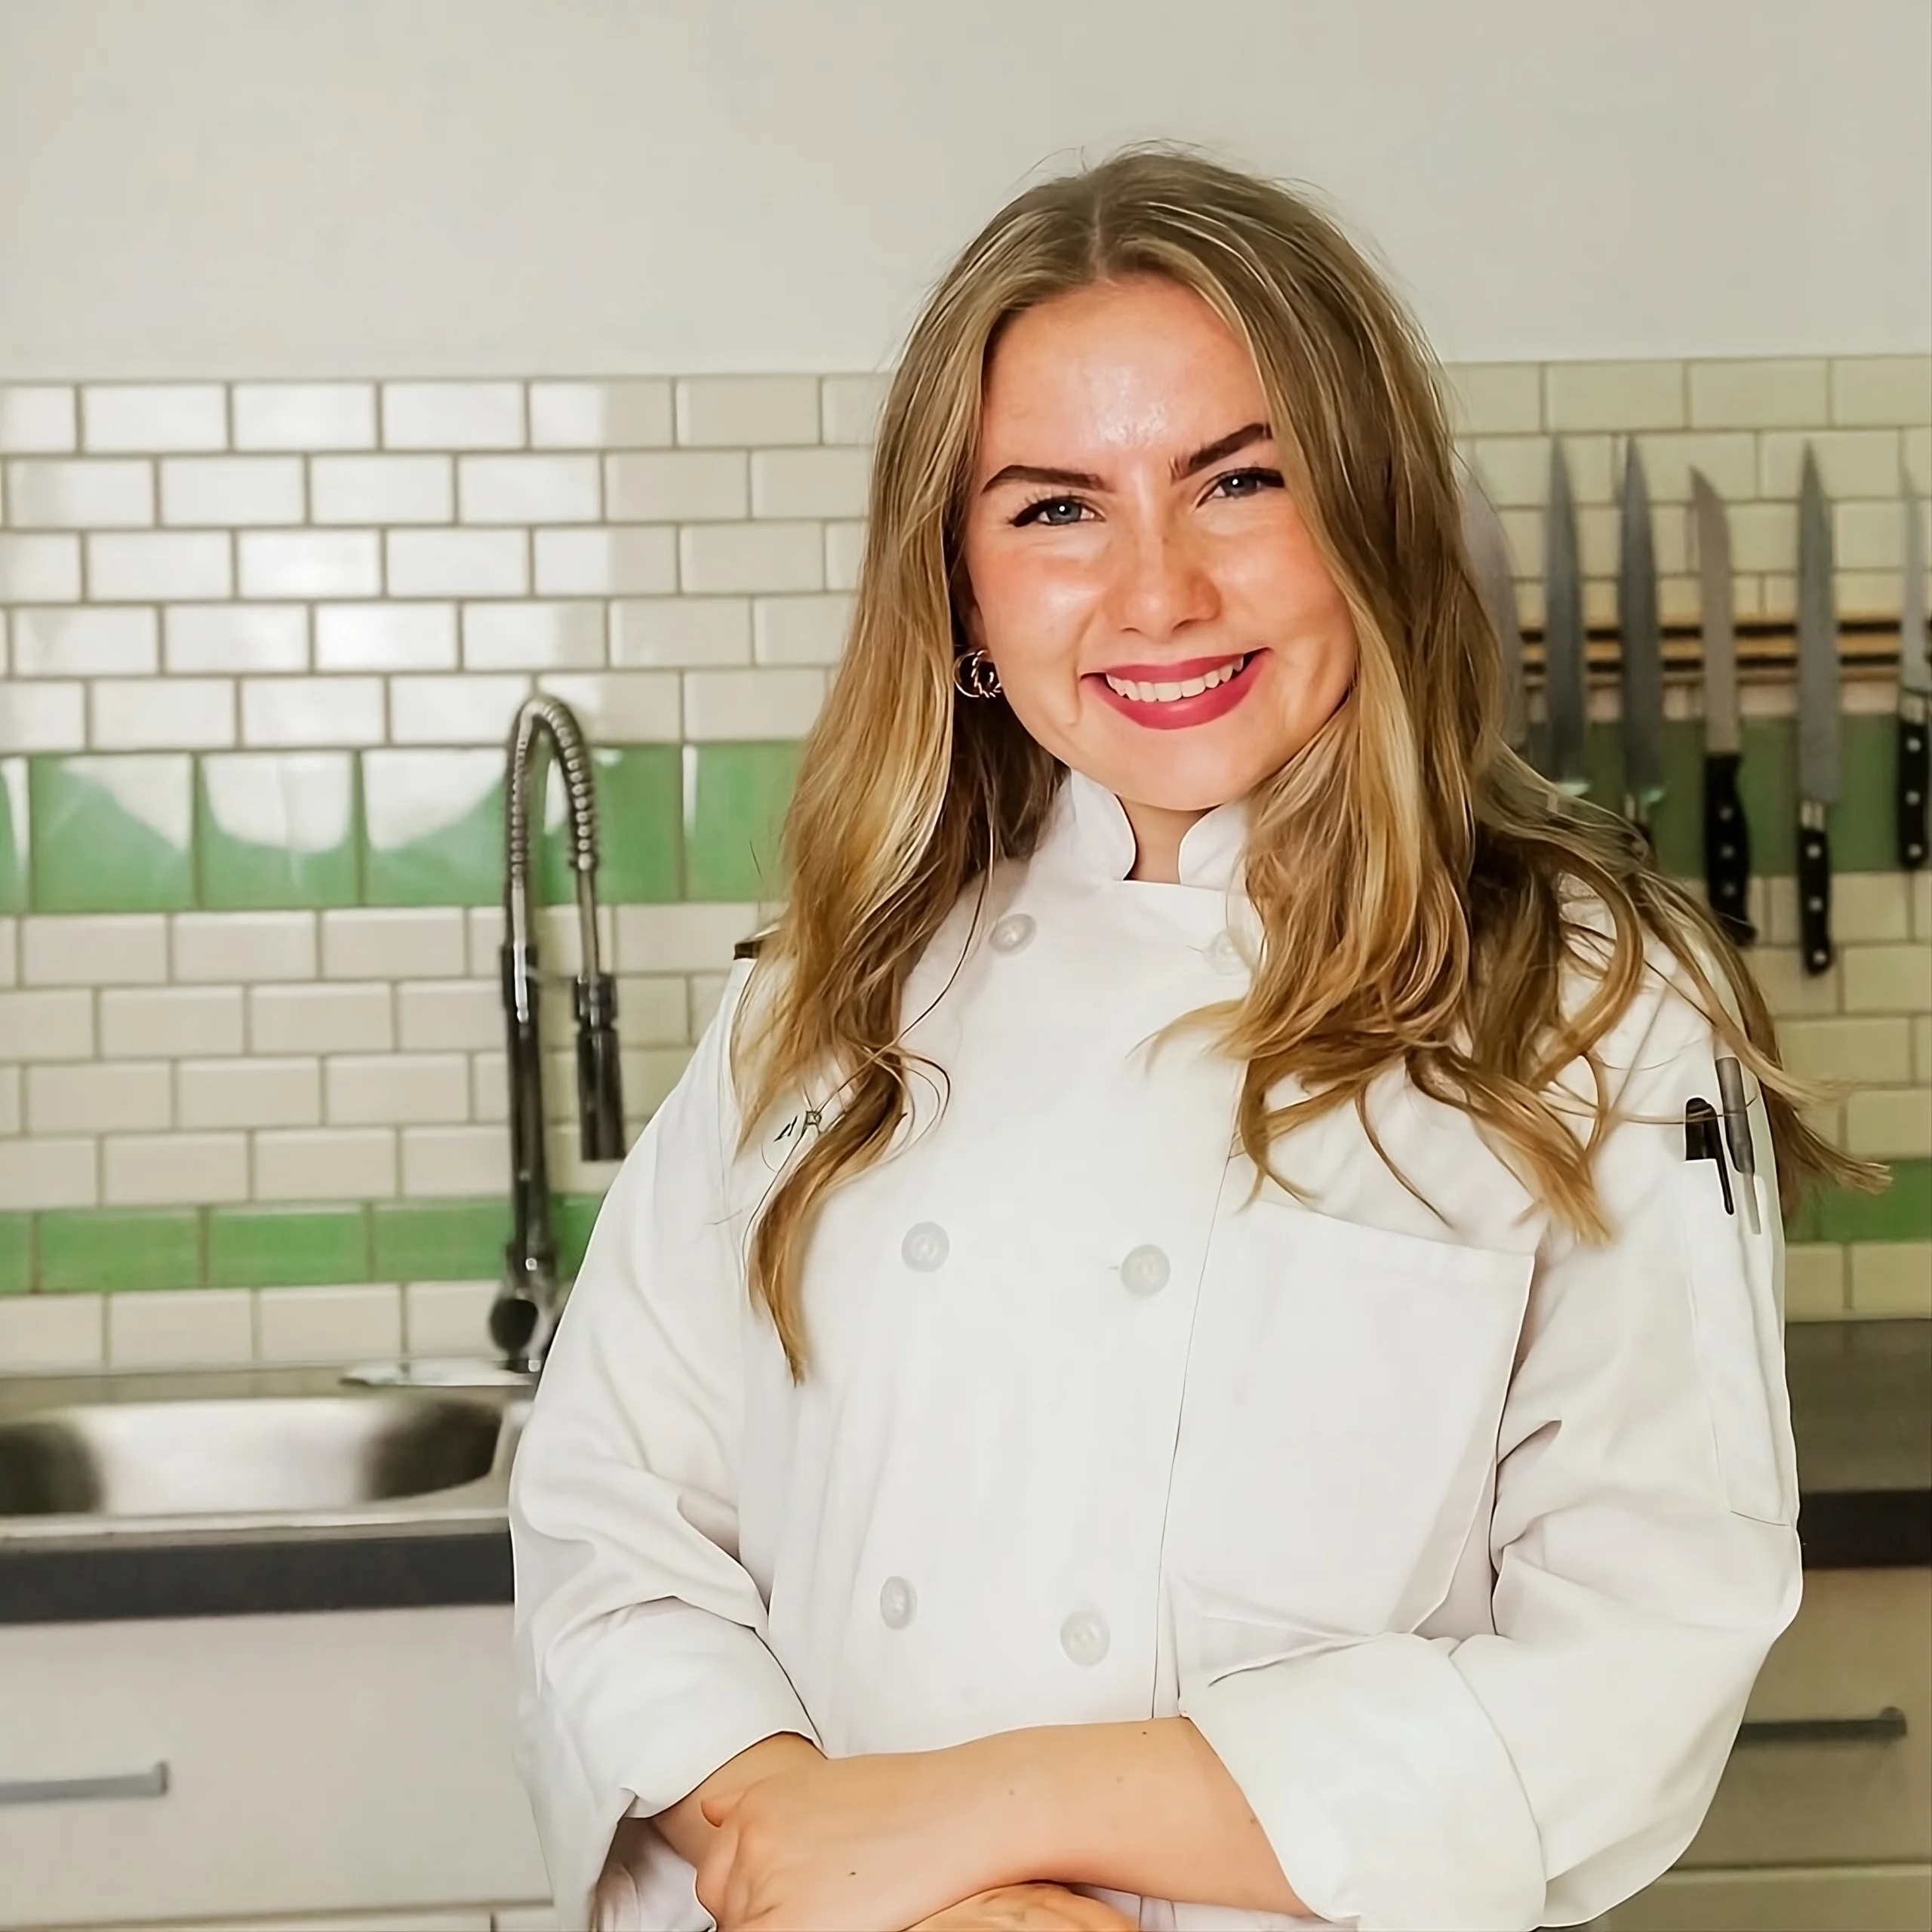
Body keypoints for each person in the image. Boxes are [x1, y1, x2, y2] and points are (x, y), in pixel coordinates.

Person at [508, 146, 1877, 1932]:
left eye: (1236, 481)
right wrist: (823, 1846)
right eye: (1055, 507)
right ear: (962, 591)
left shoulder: (1587, 1008)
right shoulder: (824, 995)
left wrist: (966, 1817)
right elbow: (612, 1519)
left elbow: (1633, 1659)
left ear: (1371, 514)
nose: (1153, 592)